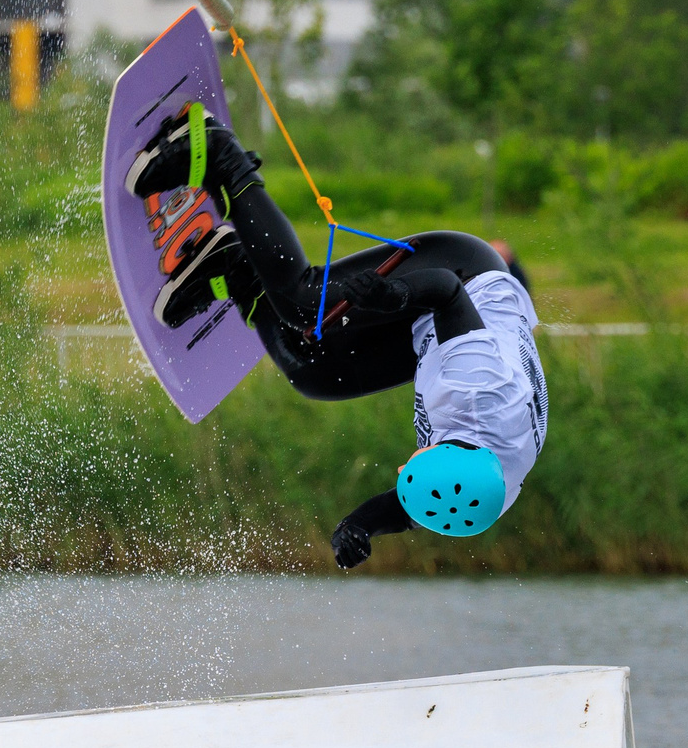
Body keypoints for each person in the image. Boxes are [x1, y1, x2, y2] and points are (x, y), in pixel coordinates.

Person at [126, 104, 547, 571]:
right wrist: (392, 296)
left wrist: (360, 525)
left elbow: (418, 503)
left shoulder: (484, 493)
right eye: (413, 465)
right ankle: (218, 153)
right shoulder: (477, 389)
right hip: (461, 277)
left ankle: (235, 268)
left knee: (317, 374)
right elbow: (447, 292)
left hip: (437, 332)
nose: (403, 467)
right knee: (306, 304)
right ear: (452, 451)